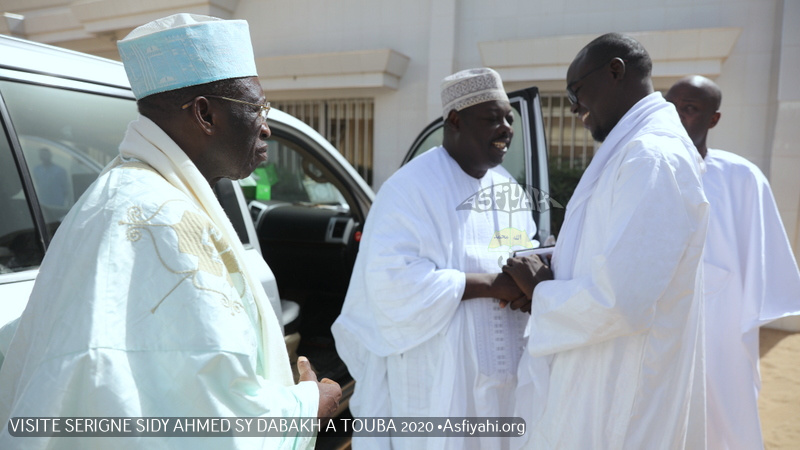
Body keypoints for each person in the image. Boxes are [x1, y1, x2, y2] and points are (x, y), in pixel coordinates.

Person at [0, 14, 340, 449]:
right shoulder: (162, 218)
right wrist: (308, 407)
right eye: (257, 108)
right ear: (204, 114)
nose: (266, 125)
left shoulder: (117, 194)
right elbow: (213, 418)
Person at [504, 33, 709, 449]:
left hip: (620, 388)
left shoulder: (651, 157)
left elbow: (622, 300)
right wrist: (557, 262)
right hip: (598, 368)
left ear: (616, 71)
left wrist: (542, 288)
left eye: (574, 92)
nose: (575, 107)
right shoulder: (633, 150)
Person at [331, 68, 542, 449]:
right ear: (456, 121)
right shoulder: (409, 188)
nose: (507, 127)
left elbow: (524, 252)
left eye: (510, 117)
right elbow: (390, 283)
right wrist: (490, 285)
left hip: (502, 377)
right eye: (493, 118)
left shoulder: (507, 188)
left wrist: (529, 285)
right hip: (435, 380)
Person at [666, 75, 800, 450]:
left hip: (721, 321)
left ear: (714, 119)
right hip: (657, 322)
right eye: (670, 106)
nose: (676, 118)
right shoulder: (645, 169)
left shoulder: (741, 177)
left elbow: (762, 256)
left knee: (724, 417)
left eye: (689, 109)